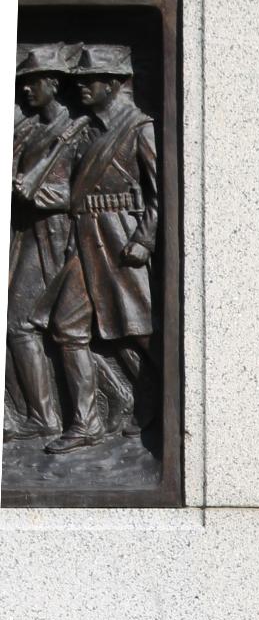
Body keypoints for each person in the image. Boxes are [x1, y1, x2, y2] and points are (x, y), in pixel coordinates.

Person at [35, 44, 158, 454]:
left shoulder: (140, 128)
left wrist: (145, 238)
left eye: (90, 81)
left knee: (137, 332)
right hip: (83, 238)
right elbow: (72, 189)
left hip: (120, 238)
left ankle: (162, 400)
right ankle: (86, 423)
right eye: (79, 81)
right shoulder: (85, 129)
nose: (82, 88)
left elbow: (162, 194)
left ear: (115, 83)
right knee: (68, 328)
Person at [6, 42, 86, 440]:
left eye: (32, 82)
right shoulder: (31, 129)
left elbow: (82, 191)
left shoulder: (76, 130)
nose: (25, 90)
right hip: (27, 233)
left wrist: (33, 193)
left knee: (21, 324)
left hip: (54, 236)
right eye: (22, 83)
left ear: (53, 84)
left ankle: (44, 417)